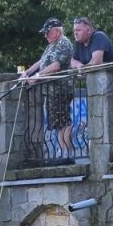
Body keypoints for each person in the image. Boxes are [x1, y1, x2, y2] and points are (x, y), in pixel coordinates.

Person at [21, 18, 75, 160]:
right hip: (51, 90)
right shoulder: (51, 45)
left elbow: (56, 66)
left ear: (57, 31)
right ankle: (62, 152)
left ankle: (67, 153)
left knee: (63, 121)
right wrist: (27, 72)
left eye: (47, 32)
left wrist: (38, 76)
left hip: (61, 89)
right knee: (57, 123)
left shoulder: (64, 43)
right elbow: (42, 61)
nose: (45, 36)